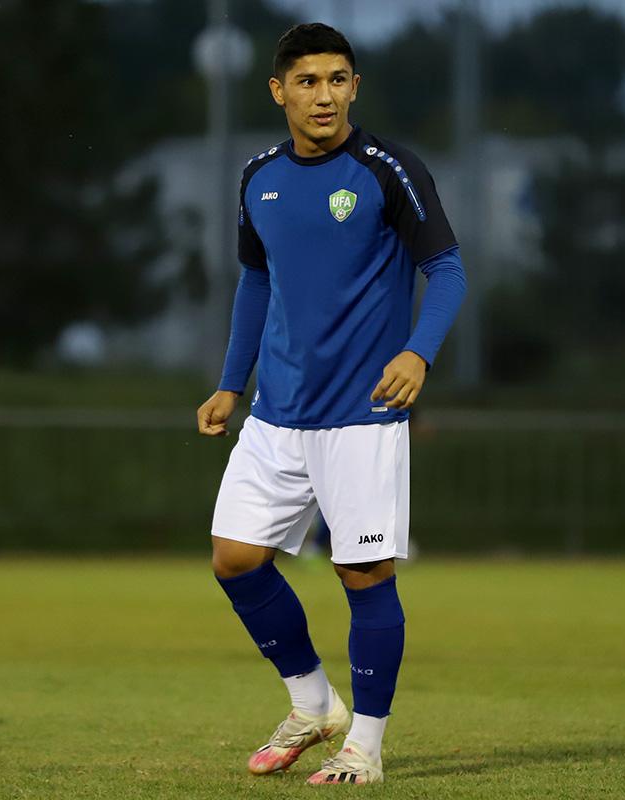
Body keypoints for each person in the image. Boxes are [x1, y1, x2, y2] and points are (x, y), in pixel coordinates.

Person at [196, 22, 467, 786]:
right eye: (308, 81)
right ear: (279, 90)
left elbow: (445, 268)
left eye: (339, 79)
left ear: (355, 87)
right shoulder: (258, 177)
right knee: (235, 560)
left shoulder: (387, 169)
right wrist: (230, 381)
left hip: (362, 413)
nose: (325, 95)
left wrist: (417, 353)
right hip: (276, 413)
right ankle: (314, 705)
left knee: (364, 575)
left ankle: (366, 749)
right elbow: (256, 281)